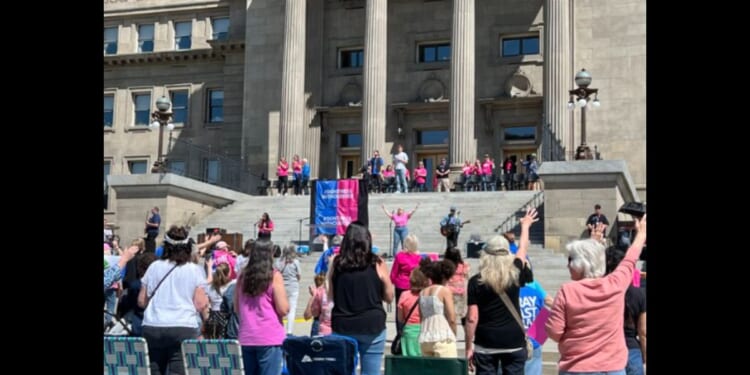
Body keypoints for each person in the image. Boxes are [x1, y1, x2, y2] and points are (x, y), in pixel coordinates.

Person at [545, 216, 647, 375]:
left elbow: (554, 332)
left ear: (579, 265)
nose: (568, 265)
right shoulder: (615, 284)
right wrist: (641, 234)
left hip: (576, 367)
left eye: (570, 260)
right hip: (612, 366)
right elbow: (630, 260)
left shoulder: (567, 290)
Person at [465, 207, 538, 375]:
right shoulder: (515, 273)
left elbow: (472, 318)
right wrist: (525, 226)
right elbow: (522, 250)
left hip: (486, 343)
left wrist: (469, 346)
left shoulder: (476, 281)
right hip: (513, 341)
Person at [138, 226, 208, 375]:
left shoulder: (154, 267)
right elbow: (201, 304)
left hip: (153, 324)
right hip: (183, 325)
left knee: (154, 370)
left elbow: (141, 301)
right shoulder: (193, 269)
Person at [329, 221, 394, 375]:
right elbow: (389, 297)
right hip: (372, 324)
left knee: (343, 370)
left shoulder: (337, 263)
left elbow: (330, 295)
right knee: (371, 371)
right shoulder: (377, 262)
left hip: (343, 323)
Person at [234, 239, 289, 375]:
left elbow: (236, 307)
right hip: (269, 336)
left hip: (246, 336)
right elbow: (283, 309)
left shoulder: (242, 276)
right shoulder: (274, 276)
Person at [606, 247, 647, 375]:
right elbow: (643, 331)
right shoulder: (638, 293)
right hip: (632, 349)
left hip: (607, 350)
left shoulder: (601, 291)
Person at [419, 259, 458, 358]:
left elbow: (421, 316)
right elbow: (452, 318)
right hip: (442, 336)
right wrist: (454, 333)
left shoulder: (422, 292)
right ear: (444, 277)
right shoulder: (444, 291)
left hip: (425, 336)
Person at [389, 234, 425, 332]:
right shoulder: (419, 258)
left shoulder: (400, 256)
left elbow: (394, 273)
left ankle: (400, 332)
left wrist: (392, 282)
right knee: (414, 309)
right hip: (415, 285)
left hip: (401, 285)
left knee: (400, 309)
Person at [397, 266, 429, 357]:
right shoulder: (427, 295)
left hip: (408, 330)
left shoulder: (404, 295)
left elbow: (400, 318)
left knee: (408, 359)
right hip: (424, 329)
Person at [275, 244, 301, 335]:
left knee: (280, 309)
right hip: (293, 287)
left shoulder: (279, 262)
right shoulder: (295, 262)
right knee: (292, 309)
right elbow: (299, 275)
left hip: (282, 287)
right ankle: (289, 331)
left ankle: (279, 329)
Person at [444, 247, 470, 326]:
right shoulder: (464, 265)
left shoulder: (445, 266)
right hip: (460, 290)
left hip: (448, 290)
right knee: (462, 313)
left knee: (449, 313)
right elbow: (466, 276)